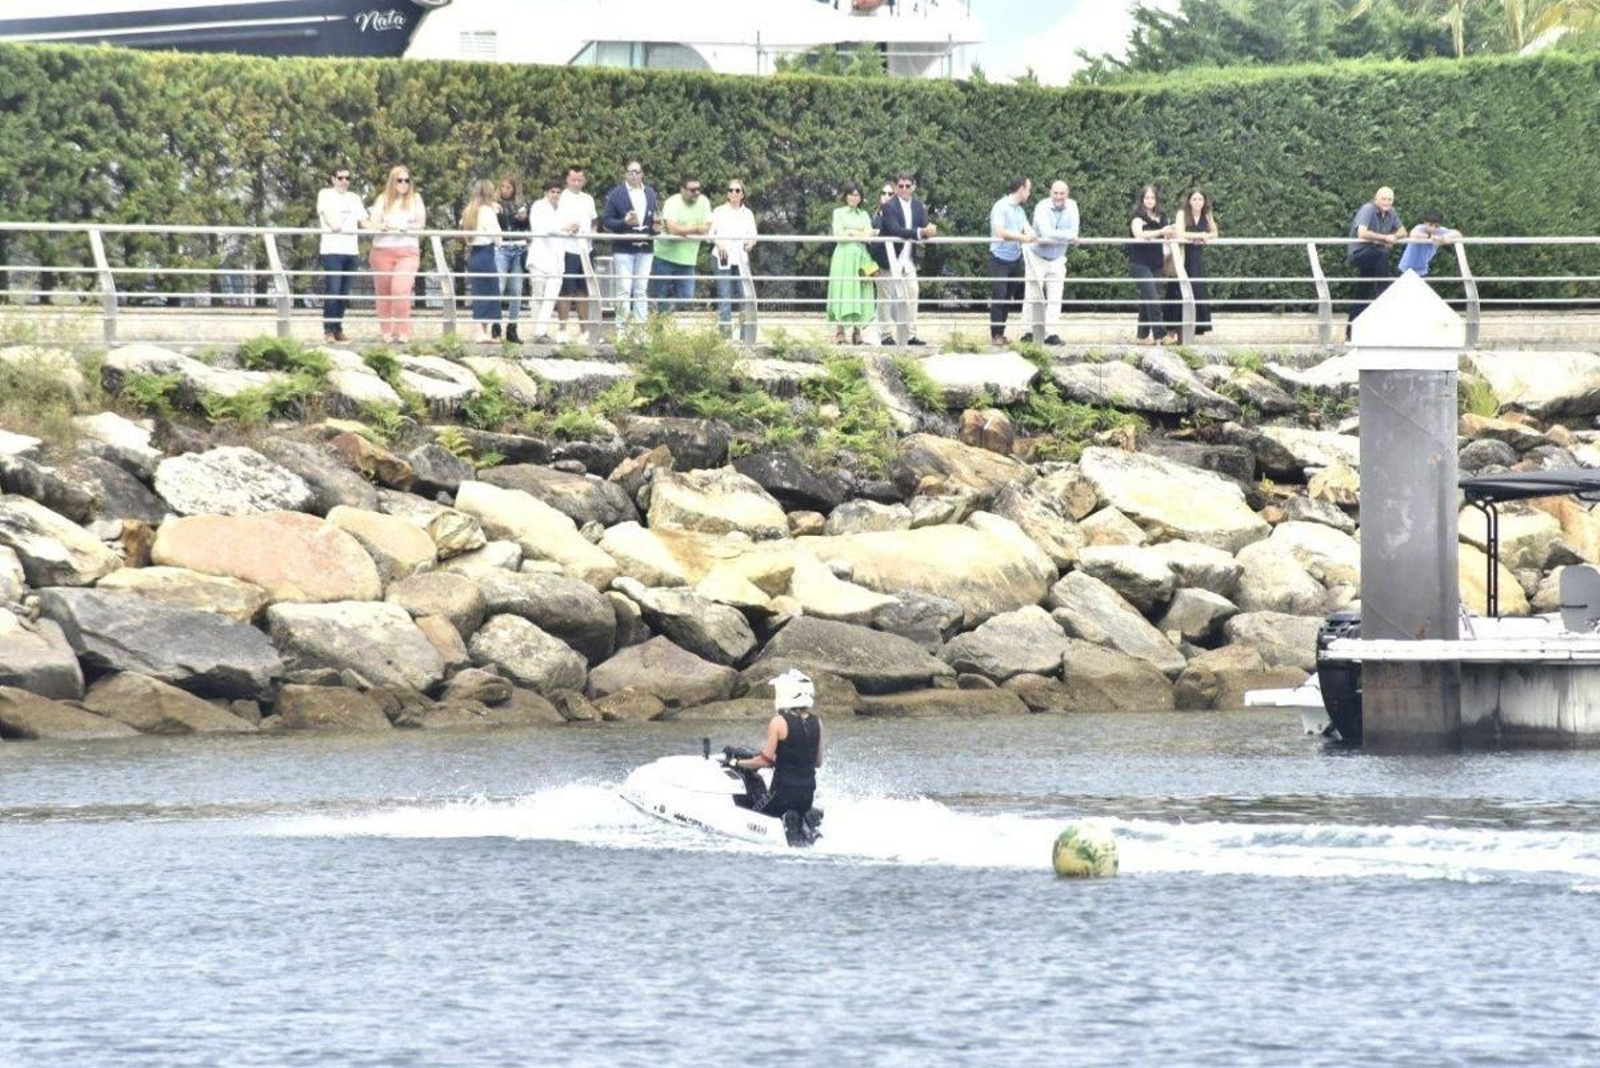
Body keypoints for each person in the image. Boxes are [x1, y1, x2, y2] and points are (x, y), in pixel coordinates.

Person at [724, 668, 824, 845]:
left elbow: (764, 760)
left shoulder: (779, 722)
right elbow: (817, 762)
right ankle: (801, 818)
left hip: (780, 797)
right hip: (806, 797)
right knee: (775, 790)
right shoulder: (818, 722)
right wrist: (784, 759)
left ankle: (785, 817)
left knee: (750, 799)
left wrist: (736, 762)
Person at [365, 165, 426, 345]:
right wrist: (381, 226)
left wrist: (407, 227)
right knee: (384, 292)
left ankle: (402, 331)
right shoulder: (383, 199)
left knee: (400, 290)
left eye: (407, 180)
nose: (403, 184)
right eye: (400, 180)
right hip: (382, 250)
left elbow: (421, 224)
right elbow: (373, 222)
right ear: (393, 181)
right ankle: (386, 332)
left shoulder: (415, 199)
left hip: (407, 251)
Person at [876, 171, 937, 346]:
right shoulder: (889, 206)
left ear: (913, 187)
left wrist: (931, 230)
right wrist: (921, 232)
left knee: (913, 292)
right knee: (885, 297)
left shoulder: (918, 206)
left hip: (908, 259)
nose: (904, 189)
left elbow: (924, 226)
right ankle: (886, 335)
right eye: (900, 186)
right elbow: (895, 230)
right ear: (896, 188)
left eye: (907, 186)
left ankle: (911, 335)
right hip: (888, 257)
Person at [600, 160, 659, 326]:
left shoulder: (650, 193)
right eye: (630, 172)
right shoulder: (616, 194)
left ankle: (641, 329)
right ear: (625, 174)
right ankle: (621, 329)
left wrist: (655, 228)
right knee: (624, 289)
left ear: (642, 174)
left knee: (641, 289)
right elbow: (606, 221)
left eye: (637, 172)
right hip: (623, 249)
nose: (634, 175)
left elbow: (653, 219)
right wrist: (624, 222)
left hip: (645, 249)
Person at [1024, 179, 1079, 345]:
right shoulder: (1042, 206)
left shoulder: (1073, 206)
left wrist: (1068, 235)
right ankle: (1028, 333)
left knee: (1055, 297)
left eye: (1062, 193)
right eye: (1055, 193)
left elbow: (1074, 230)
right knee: (1032, 295)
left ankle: (1050, 333)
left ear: (1067, 194)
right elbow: (1045, 233)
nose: (1058, 196)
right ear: (1050, 193)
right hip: (1037, 257)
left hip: (1058, 258)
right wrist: (1068, 236)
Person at [1345, 185, 1403, 338]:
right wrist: (1385, 238)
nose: (1387, 202)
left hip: (1375, 255)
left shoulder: (1391, 212)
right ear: (1376, 198)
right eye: (1384, 199)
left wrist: (1394, 236)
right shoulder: (1368, 209)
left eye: (1390, 199)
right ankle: (1383, 290)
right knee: (1383, 253)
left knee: (1363, 291)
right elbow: (1362, 233)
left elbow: (1403, 231)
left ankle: (1350, 332)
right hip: (1360, 253)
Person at [316, 164, 364, 343]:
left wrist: (379, 228)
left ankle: (338, 328)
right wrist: (334, 224)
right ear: (333, 179)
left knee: (344, 293)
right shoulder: (325, 194)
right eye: (340, 178)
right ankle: (328, 329)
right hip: (332, 251)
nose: (344, 181)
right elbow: (327, 214)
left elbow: (364, 219)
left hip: (351, 251)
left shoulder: (354, 198)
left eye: (347, 178)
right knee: (334, 290)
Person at [650, 176, 711, 316]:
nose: (697, 193)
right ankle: (659, 324)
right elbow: (673, 229)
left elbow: (707, 226)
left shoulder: (704, 202)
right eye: (692, 190)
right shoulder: (672, 202)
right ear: (682, 190)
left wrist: (684, 230)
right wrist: (696, 229)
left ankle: (665, 313)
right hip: (664, 256)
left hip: (688, 259)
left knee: (686, 296)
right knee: (659, 295)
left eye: (699, 189)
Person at [825, 182, 876, 344]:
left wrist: (851, 232)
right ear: (845, 196)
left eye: (857, 195)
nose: (854, 198)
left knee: (861, 290)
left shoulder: (864, 214)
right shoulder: (838, 212)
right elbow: (838, 234)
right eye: (851, 194)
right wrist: (857, 233)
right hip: (843, 257)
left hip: (862, 257)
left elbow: (868, 234)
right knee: (843, 289)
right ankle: (840, 332)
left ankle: (857, 332)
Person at [988, 175, 1035, 346]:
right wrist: (1023, 238)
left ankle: (1001, 333)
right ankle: (996, 335)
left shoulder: (1020, 211)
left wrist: (1035, 236)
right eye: (1028, 190)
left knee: (1008, 298)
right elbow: (1000, 232)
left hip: (1015, 259)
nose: (1029, 193)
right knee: (999, 296)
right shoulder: (1000, 206)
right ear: (1021, 189)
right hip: (999, 259)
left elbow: (1028, 229)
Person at [709, 179, 757, 338]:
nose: (733, 193)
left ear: (742, 194)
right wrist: (719, 243)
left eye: (737, 190)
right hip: (722, 259)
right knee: (725, 297)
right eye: (731, 190)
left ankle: (745, 337)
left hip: (741, 260)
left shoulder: (748, 214)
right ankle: (725, 337)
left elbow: (753, 235)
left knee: (745, 298)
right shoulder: (719, 211)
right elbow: (709, 234)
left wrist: (750, 244)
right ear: (727, 193)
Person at [1127, 183, 1174, 345]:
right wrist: (1161, 232)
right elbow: (1139, 234)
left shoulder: (1162, 217)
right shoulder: (1137, 217)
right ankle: (1161, 335)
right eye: (1146, 197)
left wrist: (1170, 232)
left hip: (1157, 263)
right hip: (1139, 264)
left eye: (1152, 197)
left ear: (1156, 199)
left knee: (1148, 298)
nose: (1149, 200)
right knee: (1153, 298)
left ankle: (1142, 336)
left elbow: (1169, 234)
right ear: (1142, 200)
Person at [555, 165, 597, 341]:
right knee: (566, 291)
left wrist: (593, 231)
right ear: (567, 179)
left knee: (583, 291)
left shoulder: (588, 199)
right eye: (573, 180)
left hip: (586, 249)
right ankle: (562, 330)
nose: (576, 183)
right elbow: (553, 222)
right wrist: (567, 228)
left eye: (580, 180)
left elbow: (594, 221)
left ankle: (584, 331)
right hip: (567, 248)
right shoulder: (561, 197)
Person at [1172, 187, 1219, 336]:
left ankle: (1198, 326)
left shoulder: (1207, 214)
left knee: (1198, 286)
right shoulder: (1182, 213)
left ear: (1204, 201)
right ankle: (1177, 326)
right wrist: (1198, 235)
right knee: (1181, 287)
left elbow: (1215, 233)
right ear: (1189, 201)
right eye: (1194, 199)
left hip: (1197, 255)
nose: (1197, 202)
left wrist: (1205, 237)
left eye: (1200, 199)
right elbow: (1179, 233)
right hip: (1183, 255)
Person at [460, 178, 502, 343]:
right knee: (488, 292)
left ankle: (484, 331)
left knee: (481, 291)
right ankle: (481, 331)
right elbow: (497, 236)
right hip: (486, 253)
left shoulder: (469, 210)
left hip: (474, 254)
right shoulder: (487, 211)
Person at [526, 177, 566, 343]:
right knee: (538, 295)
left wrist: (569, 229)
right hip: (539, 258)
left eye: (558, 192)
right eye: (552, 192)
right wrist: (563, 229)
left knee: (550, 297)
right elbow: (541, 229)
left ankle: (540, 331)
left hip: (556, 260)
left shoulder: (564, 209)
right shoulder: (538, 206)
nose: (555, 195)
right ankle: (538, 331)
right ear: (546, 193)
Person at [493, 173, 529, 343]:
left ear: (514, 189)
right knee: (499, 287)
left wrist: (524, 218)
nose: (505, 190)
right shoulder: (495, 205)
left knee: (516, 289)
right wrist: (496, 212)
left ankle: (512, 328)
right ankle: (495, 324)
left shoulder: (521, 204)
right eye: (503, 187)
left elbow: (527, 226)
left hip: (518, 248)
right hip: (502, 248)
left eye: (509, 187)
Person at [869, 182, 902, 345]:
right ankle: (885, 334)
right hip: (877, 263)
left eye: (890, 194)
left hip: (897, 263)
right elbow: (868, 243)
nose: (887, 196)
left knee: (897, 299)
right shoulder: (874, 217)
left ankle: (901, 334)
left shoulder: (898, 215)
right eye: (884, 193)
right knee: (882, 298)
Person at [1397, 209, 1462, 278]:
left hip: (1422, 270)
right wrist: (1430, 237)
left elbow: (1458, 234)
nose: (1433, 228)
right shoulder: (1420, 227)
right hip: (1405, 269)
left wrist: (1443, 237)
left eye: (1436, 226)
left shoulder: (1439, 231)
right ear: (1425, 223)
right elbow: (1413, 234)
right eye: (1430, 225)